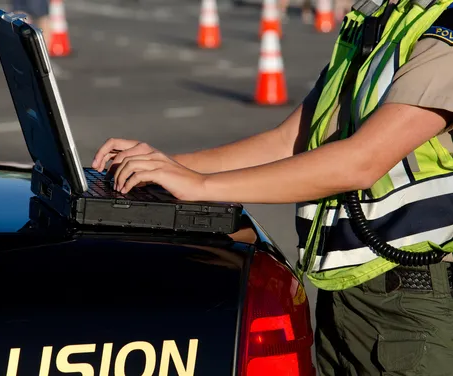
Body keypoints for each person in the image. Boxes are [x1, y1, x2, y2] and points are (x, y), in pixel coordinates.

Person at [92, 0, 453, 373]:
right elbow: (289, 140)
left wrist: (199, 185)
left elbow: (362, 162)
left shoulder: (444, 26)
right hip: (348, 295)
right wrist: (161, 166)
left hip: (414, 307)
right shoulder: (379, 16)